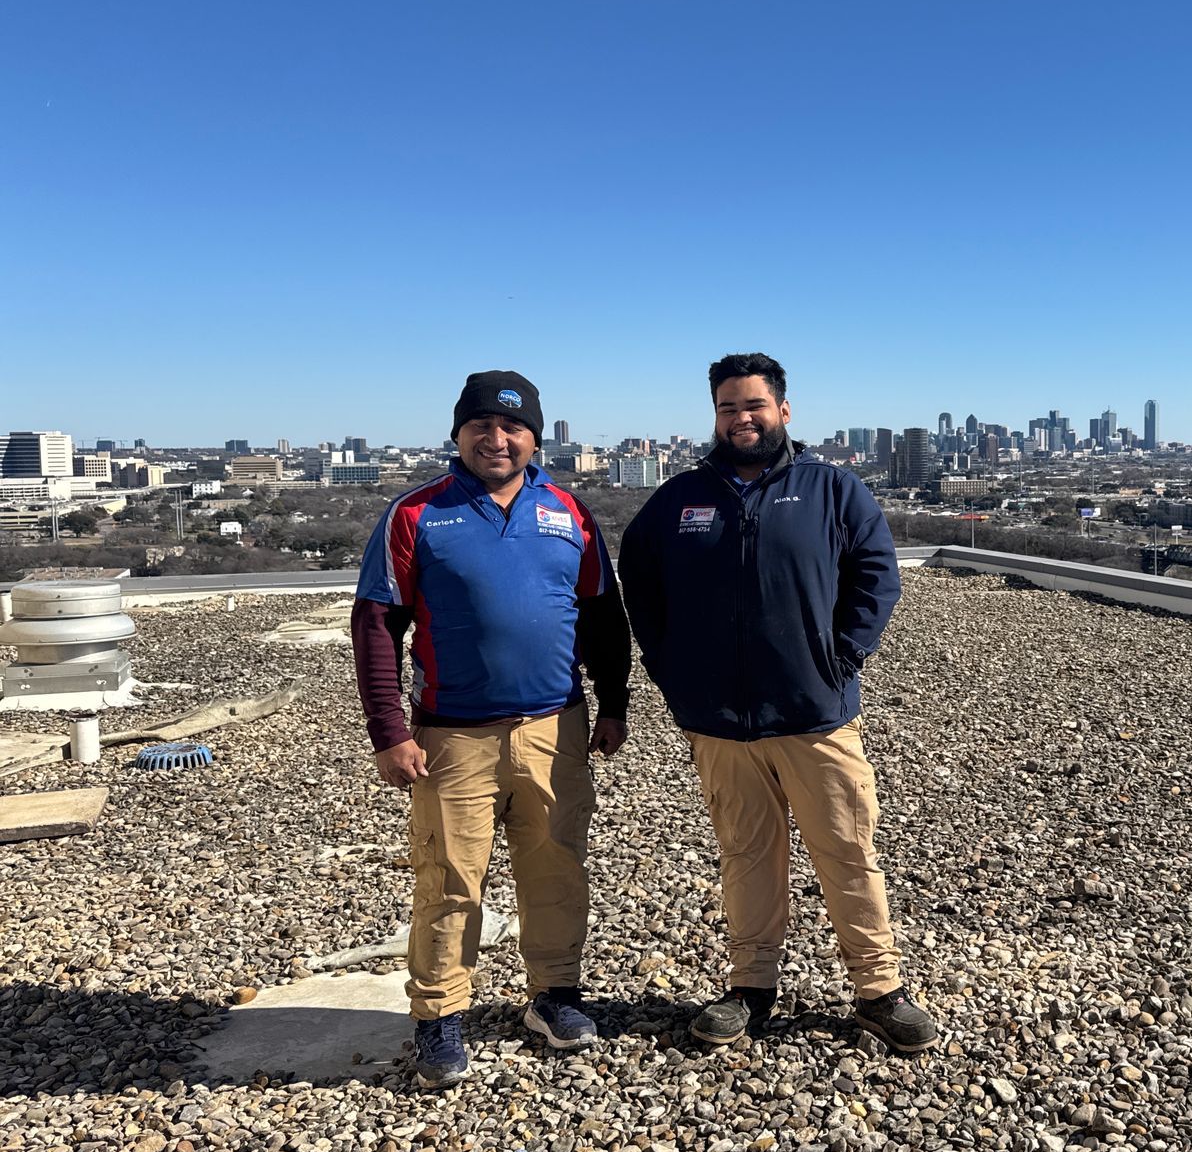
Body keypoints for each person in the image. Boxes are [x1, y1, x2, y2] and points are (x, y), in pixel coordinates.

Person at [618, 352, 936, 1052]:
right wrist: (669, 666)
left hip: (816, 714)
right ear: (715, 415)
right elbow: (637, 582)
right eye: (729, 407)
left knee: (847, 851)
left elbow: (877, 574)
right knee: (746, 855)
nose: (742, 418)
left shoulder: (831, 489)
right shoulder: (679, 500)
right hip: (720, 724)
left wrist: (844, 655)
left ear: (783, 411)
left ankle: (879, 990)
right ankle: (750, 987)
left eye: (754, 405)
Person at [352, 370, 631, 1088]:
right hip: (452, 736)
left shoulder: (570, 512)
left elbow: (602, 614)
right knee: (448, 878)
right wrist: (389, 730)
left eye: (512, 427)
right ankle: (439, 1016)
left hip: (555, 726)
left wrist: (615, 702)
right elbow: (378, 624)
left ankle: (554, 997)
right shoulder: (416, 513)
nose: (496, 438)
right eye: (481, 425)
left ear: (535, 438)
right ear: (459, 433)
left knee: (557, 869)